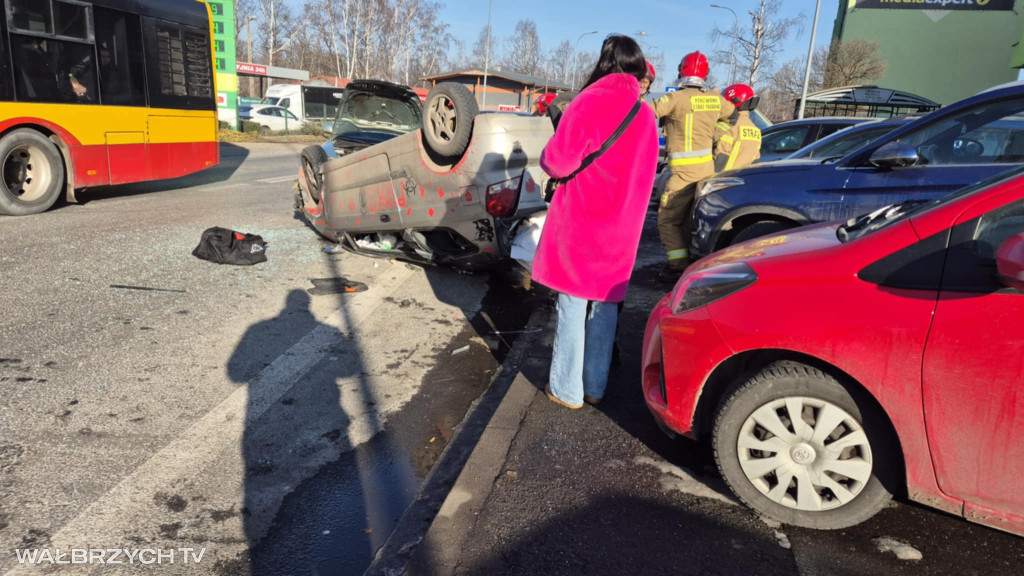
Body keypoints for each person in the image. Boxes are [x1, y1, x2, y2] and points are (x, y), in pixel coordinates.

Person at [532, 34, 659, 409]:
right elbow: (647, 173)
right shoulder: (646, 114)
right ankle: (595, 387)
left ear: (605, 62)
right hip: (623, 228)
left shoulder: (589, 102)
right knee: (604, 305)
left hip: (582, 222)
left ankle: (566, 390)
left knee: (572, 303)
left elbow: (557, 162)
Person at [650, 51, 733, 283]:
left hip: (682, 175)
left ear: (680, 71)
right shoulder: (716, 99)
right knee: (688, 220)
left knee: (667, 219)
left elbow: (646, 114)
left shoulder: (675, 99)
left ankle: (678, 265)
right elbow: (732, 116)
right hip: (707, 170)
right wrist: (720, 143)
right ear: (704, 74)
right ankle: (689, 261)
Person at [714, 84, 762, 172]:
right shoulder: (756, 130)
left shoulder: (730, 125)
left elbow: (721, 156)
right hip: (740, 181)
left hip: (722, 180)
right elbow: (755, 160)